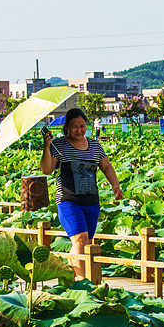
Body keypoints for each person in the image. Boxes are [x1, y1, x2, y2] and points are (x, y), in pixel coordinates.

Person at [41, 108, 123, 279]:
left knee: (86, 244)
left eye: (82, 126)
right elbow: (47, 169)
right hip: (68, 200)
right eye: (74, 127)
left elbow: (106, 166)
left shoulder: (94, 145)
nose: (78, 130)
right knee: (79, 240)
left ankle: (71, 277)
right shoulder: (59, 145)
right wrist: (47, 146)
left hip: (91, 201)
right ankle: (85, 283)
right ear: (66, 128)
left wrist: (115, 184)